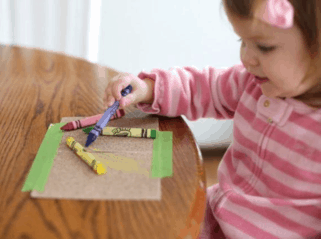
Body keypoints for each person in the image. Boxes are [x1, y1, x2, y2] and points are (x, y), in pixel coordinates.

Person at [103, 0, 321, 238]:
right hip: (211, 216)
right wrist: (148, 89)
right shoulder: (251, 82)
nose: (247, 58)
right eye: (243, 42)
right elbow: (203, 87)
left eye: (264, 47)